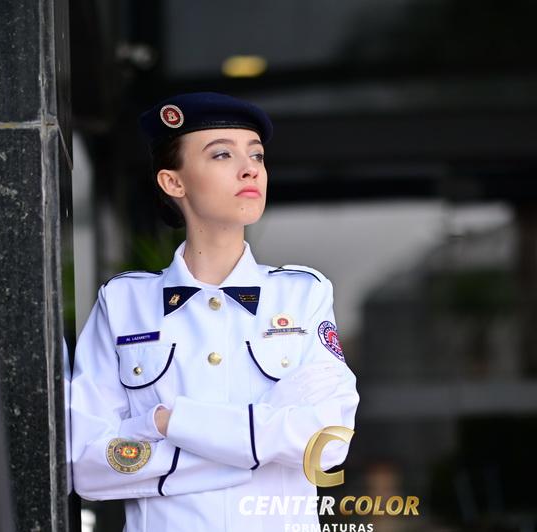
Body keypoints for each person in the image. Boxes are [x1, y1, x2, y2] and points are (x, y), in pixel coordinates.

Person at [70, 92, 360, 531]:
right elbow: (90, 467)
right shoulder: (124, 304)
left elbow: (327, 442)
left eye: (256, 155)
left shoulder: (302, 295)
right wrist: (257, 448)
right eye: (222, 154)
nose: (250, 169)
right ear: (174, 183)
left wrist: (167, 422)